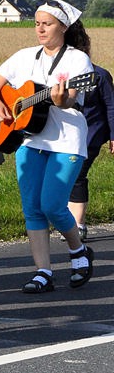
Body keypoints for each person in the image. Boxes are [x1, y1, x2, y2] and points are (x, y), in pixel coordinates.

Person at [0, 0, 94, 293]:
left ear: (63, 27)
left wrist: (61, 100)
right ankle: (43, 272)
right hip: (30, 140)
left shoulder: (77, 61)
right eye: (37, 23)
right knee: (32, 208)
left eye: (47, 23)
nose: (40, 28)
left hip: (66, 140)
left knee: (52, 205)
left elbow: (69, 99)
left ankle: (78, 250)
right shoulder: (23, 57)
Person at [67, 63, 114, 242]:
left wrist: (113, 136)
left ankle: (78, 226)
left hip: (91, 135)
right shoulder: (60, 74)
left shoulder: (100, 75)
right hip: (65, 136)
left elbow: (111, 106)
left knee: (78, 175)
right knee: (67, 177)